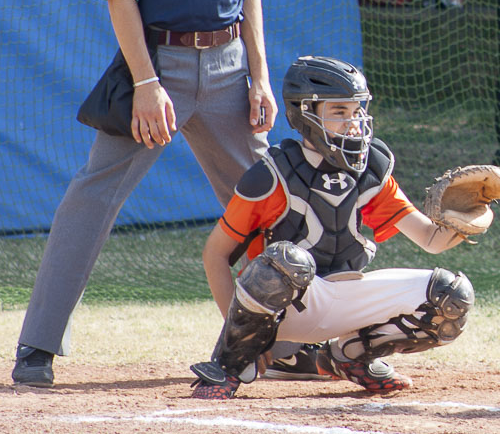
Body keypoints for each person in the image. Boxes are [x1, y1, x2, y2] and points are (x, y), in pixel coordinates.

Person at [12, 0, 276, 388]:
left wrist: (261, 76)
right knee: (92, 196)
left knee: (271, 206)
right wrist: (147, 83)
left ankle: (295, 338)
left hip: (230, 69)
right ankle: (37, 346)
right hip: (158, 68)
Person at [188, 55, 477, 399]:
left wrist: (467, 219)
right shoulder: (274, 174)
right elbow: (215, 255)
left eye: (356, 111)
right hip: (287, 309)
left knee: (451, 295)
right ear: (304, 113)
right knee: (289, 260)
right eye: (339, 112)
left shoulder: (371, 166)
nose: (353, 123)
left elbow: (430, 238)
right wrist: (242, 339)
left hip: (345, 296)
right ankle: (228, 368)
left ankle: (350, 356)